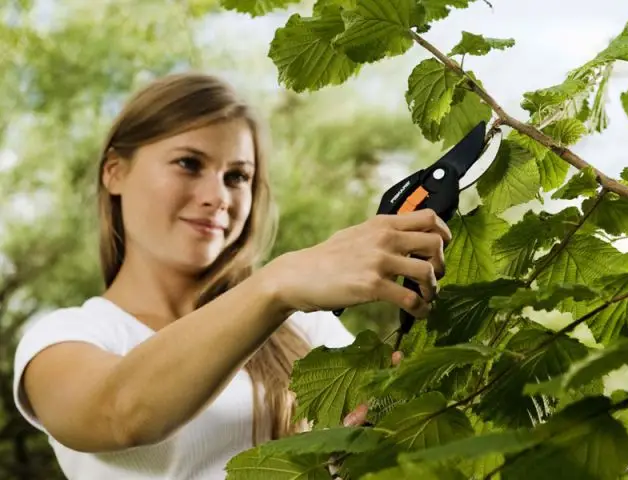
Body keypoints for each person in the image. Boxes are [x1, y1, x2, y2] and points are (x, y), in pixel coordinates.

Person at [11, 72, 451, 479]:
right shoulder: (65, 336)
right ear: (115, 172)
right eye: (188, 163)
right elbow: (120, 413)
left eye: (237, 176)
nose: (217, 196)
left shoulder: (305, 327)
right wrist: (275, 284)